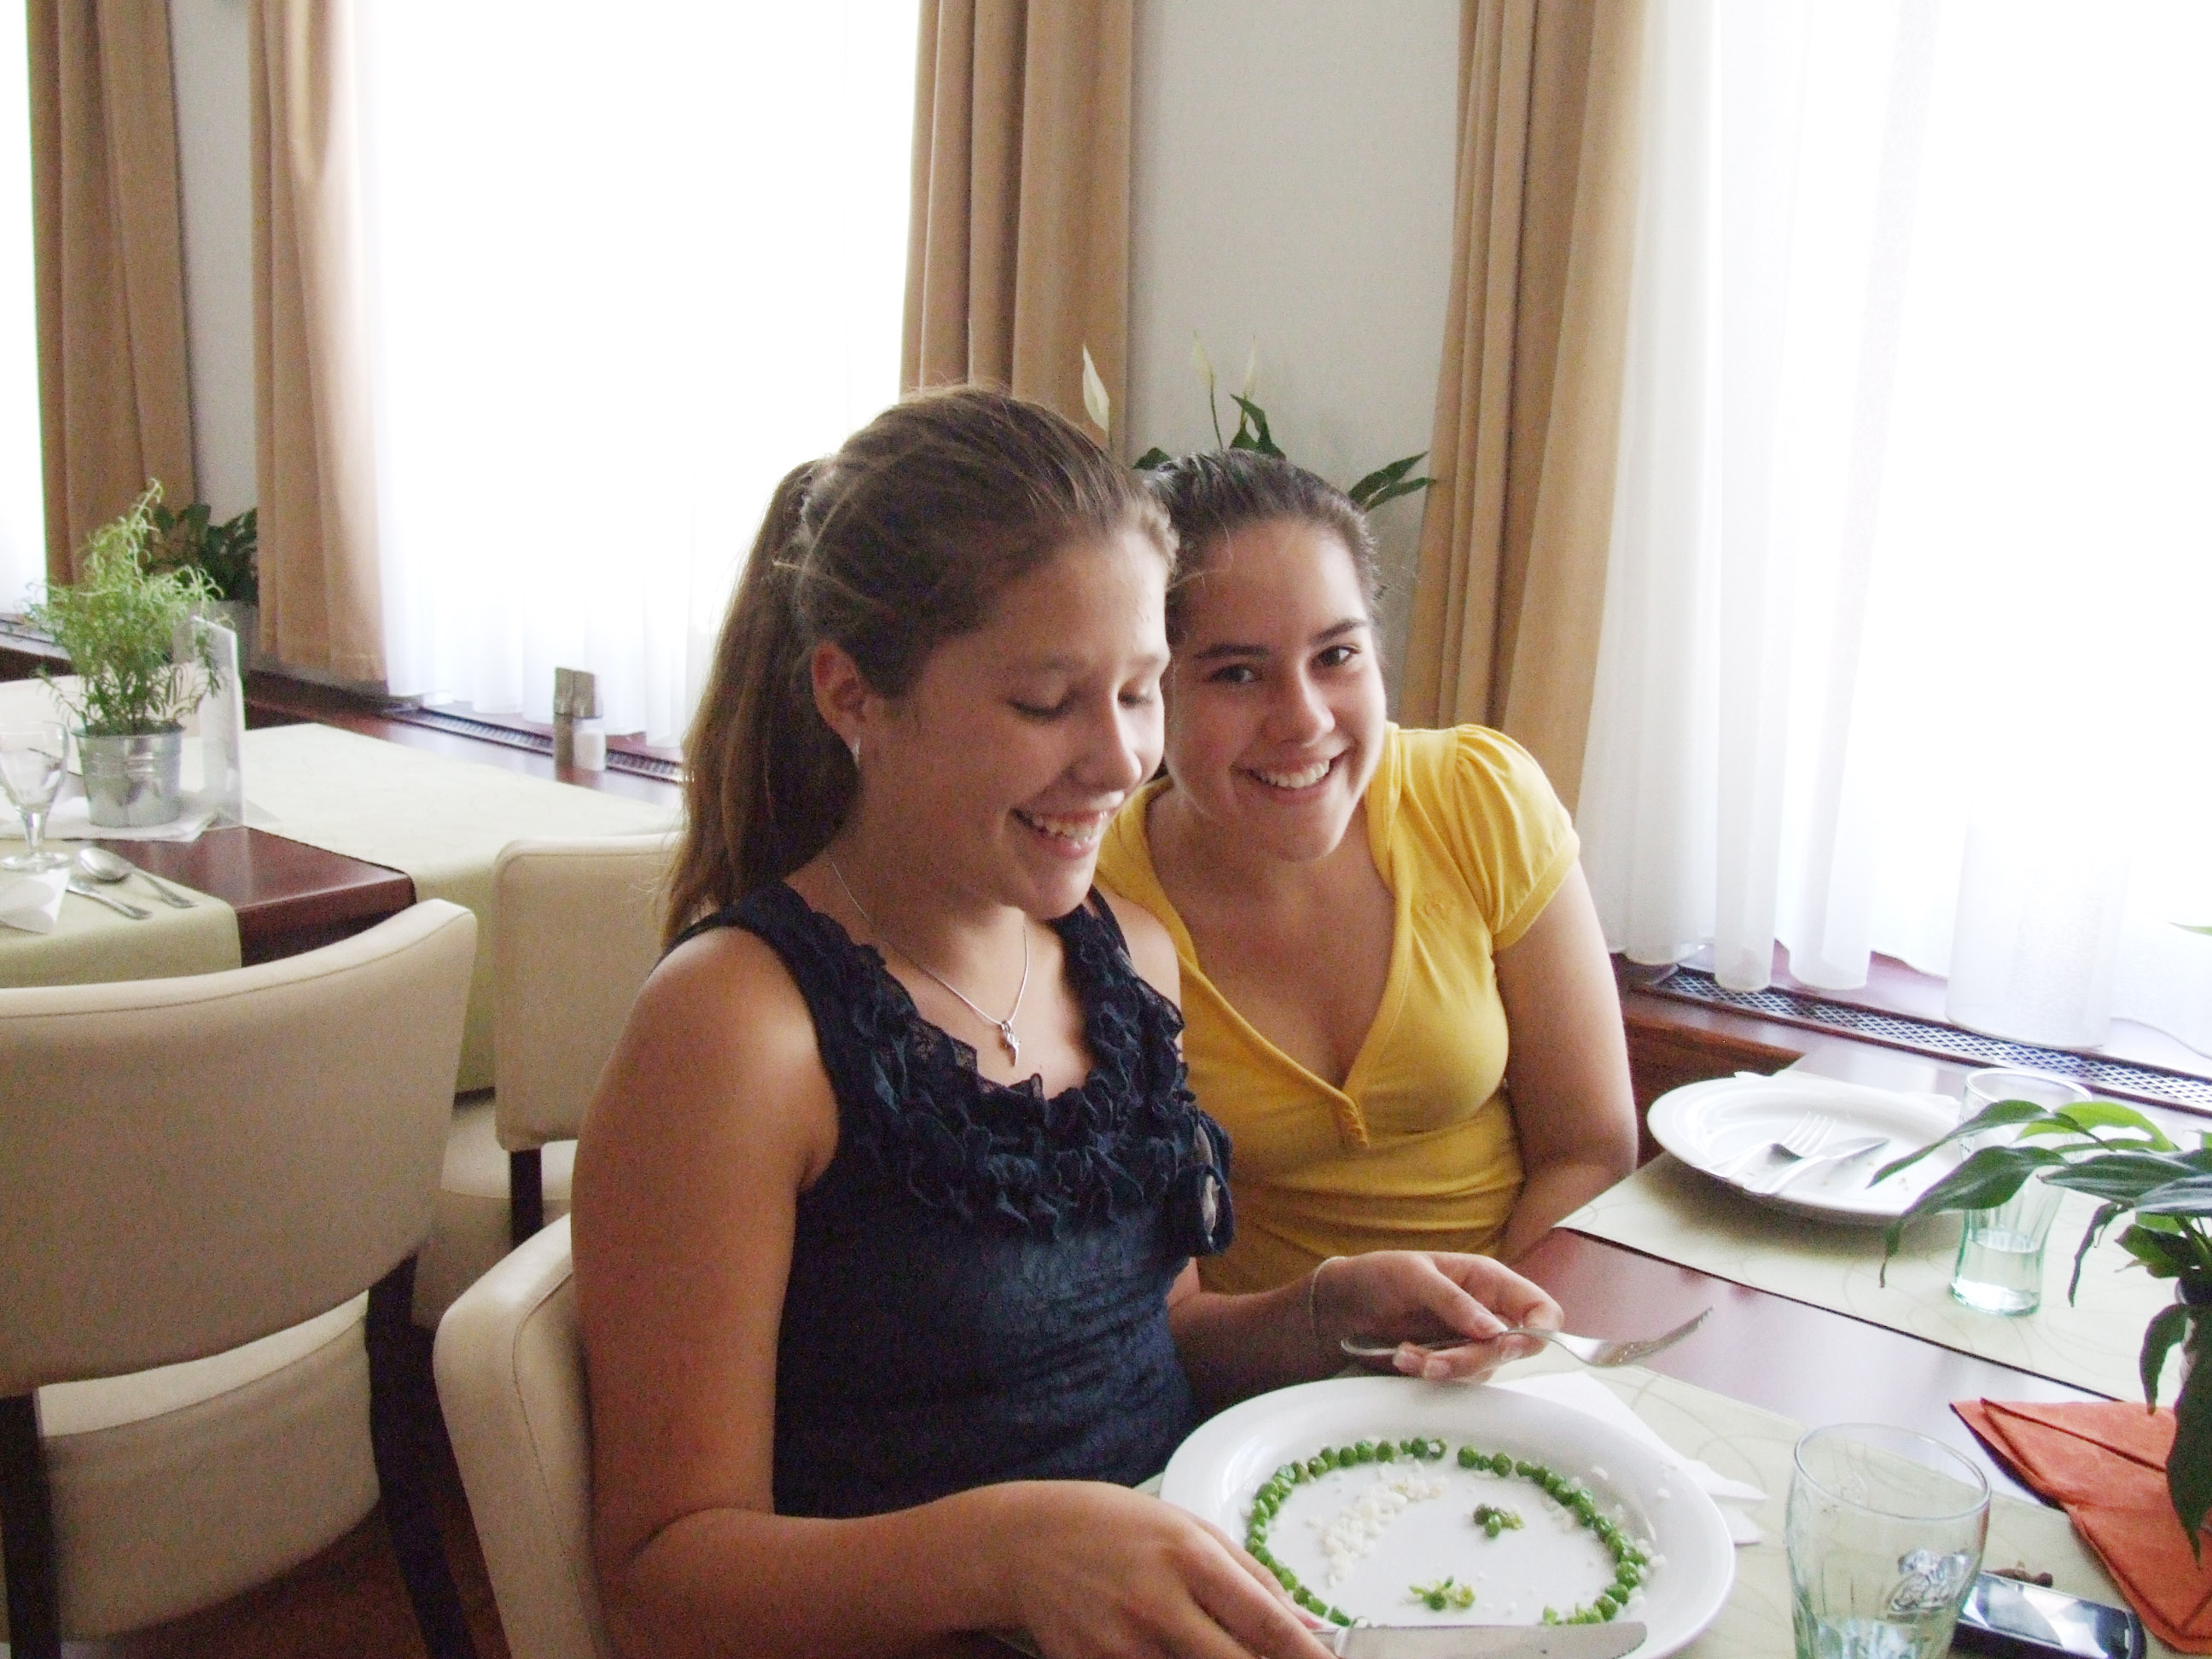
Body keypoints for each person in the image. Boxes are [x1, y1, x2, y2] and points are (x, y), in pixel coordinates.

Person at [571, 390, 1566, 1659]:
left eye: (1141, 693)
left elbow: (1149, 1340)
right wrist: (1005, 1557)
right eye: (1048, 704)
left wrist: (1324, 1314)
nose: (1119, 761)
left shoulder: (1129, 959)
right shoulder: (738, 1033)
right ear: (853, 694)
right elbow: (660, 1585)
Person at [1094, 448, 1638, 1298]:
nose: (1304, 719)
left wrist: (1496, 1333)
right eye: (1238, 674)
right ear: (1150, 689)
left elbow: (1589, 1150)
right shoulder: (1100, 904)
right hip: (1260, 1368)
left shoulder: (1480, 798)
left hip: (1524, 1326)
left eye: (1336, 656)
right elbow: (1160, 1301)